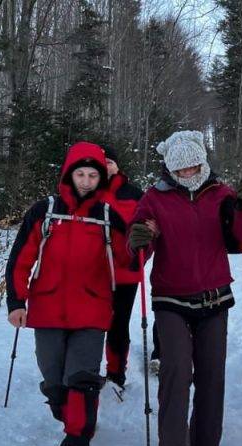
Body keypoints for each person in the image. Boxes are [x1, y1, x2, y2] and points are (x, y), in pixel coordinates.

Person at [127, 130, 242, 446]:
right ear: (170, 168)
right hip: (170, 297)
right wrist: (140, 239)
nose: (188, 173)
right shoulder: (155, 198)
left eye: (193, 166)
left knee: (211, 372)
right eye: (180, 168)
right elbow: (138, 244)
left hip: (214, 296)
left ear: (203, 162)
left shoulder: (221, 194)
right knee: (176, 369)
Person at [5, 142, 130, 446]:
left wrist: (141, 242)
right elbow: (20, 260)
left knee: (82, 377)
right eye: (81, 174)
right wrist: (16, 302)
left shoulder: (107, 217)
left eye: (93, 175)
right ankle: (68, 410)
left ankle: (77, 439)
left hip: (91, 309)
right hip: (47, 309)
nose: (86, 181)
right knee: (55, 381)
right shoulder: (44, 211)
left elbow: (128, 260)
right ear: (69, 174)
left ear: (100, 178)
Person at [98, 146, 144, 394]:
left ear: (117, 166)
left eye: (110, 162)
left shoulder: (134, 193)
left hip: (125, 272)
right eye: (101, 162)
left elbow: (147, 231)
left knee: (118, 323)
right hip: (93, 272)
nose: (106, 166)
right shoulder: (89, 190)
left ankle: (116, 373)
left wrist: (139, 258)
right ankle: (85, 372)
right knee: (92, 322)